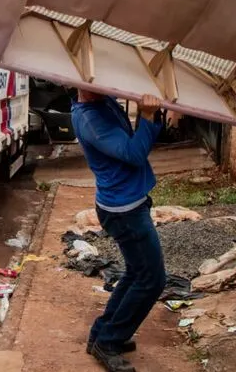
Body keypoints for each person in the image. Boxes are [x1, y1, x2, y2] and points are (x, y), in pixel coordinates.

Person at [71, 91, 166, 372]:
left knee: (137, 273)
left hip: (127, 202)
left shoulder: (102, 102)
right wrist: (147, 116)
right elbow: (135, 154)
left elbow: (134, 142)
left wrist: (149, 114)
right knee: (152, 280)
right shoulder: (90, 119)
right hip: (124, 210)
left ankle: (101, 334)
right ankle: (109, 342)